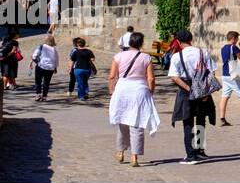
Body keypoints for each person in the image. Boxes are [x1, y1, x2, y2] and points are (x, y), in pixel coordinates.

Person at [108, 31, 159, 166]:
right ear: (141, 43)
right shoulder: (146, 58)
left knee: (122, 121)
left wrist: (111, 90)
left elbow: (112, 76)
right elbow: (151, 78)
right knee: (137, 123)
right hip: (139, 90)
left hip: (122, 89)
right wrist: (151, 91)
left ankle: (120, 151)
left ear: (129, 42)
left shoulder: (118, 56)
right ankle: (134, 156)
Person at [168, 29, 218, 164]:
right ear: (191, 39)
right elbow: (212, 72)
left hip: (186, 90)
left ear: (178, 41)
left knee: (188, 121)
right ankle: (200, 150)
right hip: (203, 89)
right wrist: (205, 91)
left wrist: (190, 89)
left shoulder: (177, 57)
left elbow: (174, 77)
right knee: (201, 120)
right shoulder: (203, 52)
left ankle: (190, 155)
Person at [218, 31, 240, 126]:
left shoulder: (223, 48)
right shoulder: (233, 47)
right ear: (233, 39)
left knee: (224, 96)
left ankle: (222, 118)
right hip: (234, 75)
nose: (238, 40)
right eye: (237, 38)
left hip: (225, 75)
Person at [30, 35, 58, 100]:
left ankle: (38, 94)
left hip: (41, 66)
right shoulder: (54, 49)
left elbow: (34, 56)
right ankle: (44, 96)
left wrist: (37, 61)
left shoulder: (41, 46)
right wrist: (55, 68)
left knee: (38, 81)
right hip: (50, 68)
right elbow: (56, 59)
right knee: (46, 82)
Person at [68, 37, 97, 101]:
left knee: (80, 83)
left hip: (78, 69)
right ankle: (86, 93)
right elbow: (93, 59)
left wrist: (70, 69)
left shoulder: (76, 52)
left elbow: (72, 60)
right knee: (85, 81)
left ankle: (81, 96)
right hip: (87, 69)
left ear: (78, 44)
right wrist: (87, 58)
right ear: (84, 44)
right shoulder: (88, 51)